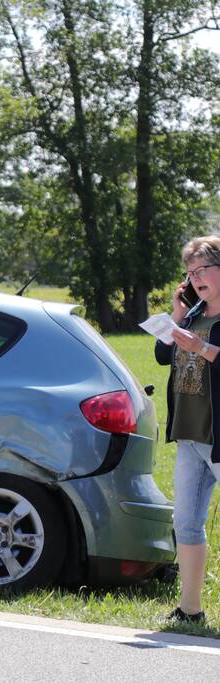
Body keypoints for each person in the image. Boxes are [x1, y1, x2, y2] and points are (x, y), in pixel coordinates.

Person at [155, 235, 220, 624]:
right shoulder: (194, 314)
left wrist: (205, 349)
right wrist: (178, 317)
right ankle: (190, 609)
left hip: (218, 434)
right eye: (190, 272)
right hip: (190, 435)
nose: (196, 279)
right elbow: (163, 354)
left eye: (203, 270)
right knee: (187, 523)